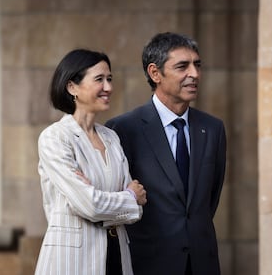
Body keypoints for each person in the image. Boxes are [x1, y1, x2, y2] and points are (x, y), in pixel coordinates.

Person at [106, 32, 226, 275]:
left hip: (202, 263)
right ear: (155, 73)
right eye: (183, 66)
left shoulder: (213, 128)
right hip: (147, 263)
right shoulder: (123, 129)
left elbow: (208, 200)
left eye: (197, 65)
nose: (194, 74)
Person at [34, 49, 147, 275]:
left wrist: (109, 201)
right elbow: (90, 204)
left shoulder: (111, 137)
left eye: (110, 79)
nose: (108, 87)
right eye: (99, 79)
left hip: (117, 256)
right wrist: (129, 197)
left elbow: (136, 211)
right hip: (72, 261)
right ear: (72, 87)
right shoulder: (55, 137)